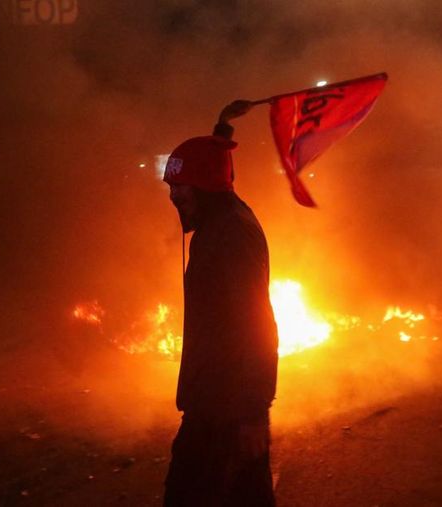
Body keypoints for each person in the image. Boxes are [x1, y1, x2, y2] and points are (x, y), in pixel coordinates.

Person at [162, 100, 279, 507]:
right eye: (171, 187)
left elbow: (256, 323)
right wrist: (222, 129)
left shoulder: (231, 236)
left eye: (180, 186)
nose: (174, 197)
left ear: (204, 186)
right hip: (214, 404)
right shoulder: (220, 219)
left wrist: (252, 413)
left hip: (224, 411)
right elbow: (218, 172)